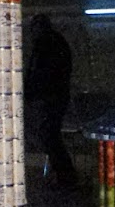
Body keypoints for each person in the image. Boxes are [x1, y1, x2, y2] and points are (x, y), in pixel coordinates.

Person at [26, 14, 77, 188]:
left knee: (48, 136)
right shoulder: (56, 43)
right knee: (49, 135)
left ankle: (66, 176)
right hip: (55, 96)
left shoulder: (45, 45)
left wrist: (32, 93)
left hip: (49, 97)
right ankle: (65, 175)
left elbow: (39, 73)